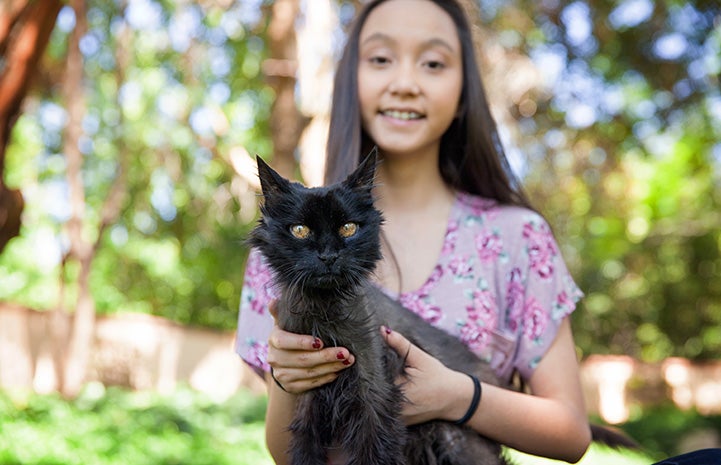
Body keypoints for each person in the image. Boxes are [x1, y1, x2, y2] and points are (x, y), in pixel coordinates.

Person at [236, 0, 593, 463]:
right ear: (349, 81)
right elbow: (286, 453)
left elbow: (571, 433)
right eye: (381, 59)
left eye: (432, 62)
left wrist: (457, 397)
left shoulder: (517, 239)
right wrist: (290, 381)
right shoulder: (280, 251)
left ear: (465, 89)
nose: (405, 84)